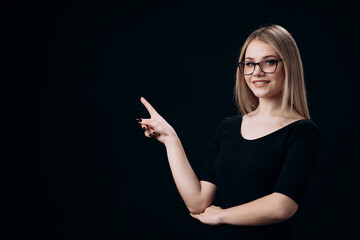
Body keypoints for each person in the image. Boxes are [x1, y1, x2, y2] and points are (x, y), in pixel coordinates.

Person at [136, 24, 322, 240]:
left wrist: (222, 216)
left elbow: (282, 206)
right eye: (249, 64)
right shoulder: (228, 127)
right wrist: (170, 139)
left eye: (269, 62)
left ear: (288, 66)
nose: (257, 73)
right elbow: (197, 202)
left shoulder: (302, 132)